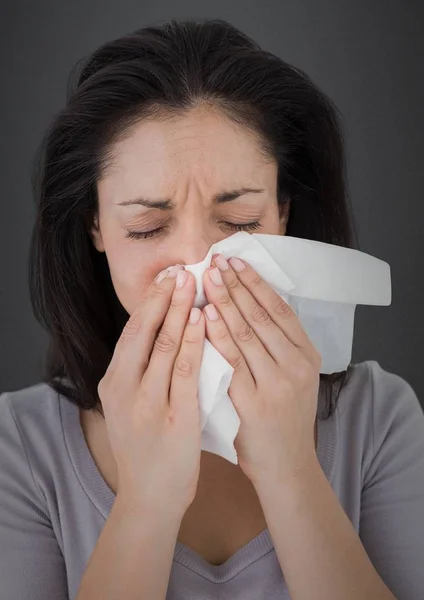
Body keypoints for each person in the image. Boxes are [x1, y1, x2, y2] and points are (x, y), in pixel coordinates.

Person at [0, 17, 423, 600]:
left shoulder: (380, 421)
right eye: (148, 227)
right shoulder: (19, 446)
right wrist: (146, 502)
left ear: (282, 215)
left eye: (240, 223)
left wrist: (292, 475)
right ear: (96, 226)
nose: (200, 260)